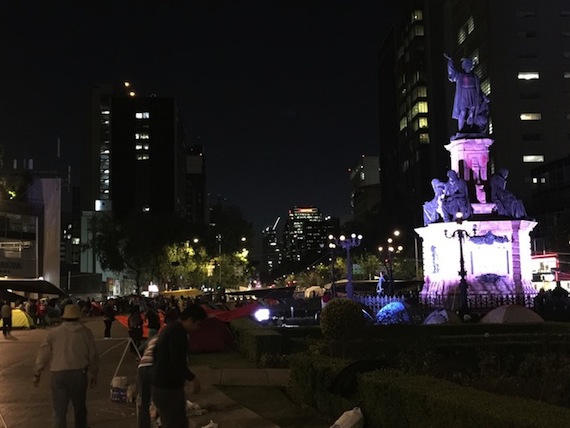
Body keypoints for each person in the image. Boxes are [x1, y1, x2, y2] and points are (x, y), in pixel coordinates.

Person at [33, 304, 99, 428]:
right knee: (79, 408)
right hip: (79, 374)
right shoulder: (86, 332)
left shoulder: (54, 333)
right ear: (78, 317)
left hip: (58, 374)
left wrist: (38, 372)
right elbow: (93, 355)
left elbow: (43, 353)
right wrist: (94, 373)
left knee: (59, 411)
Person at [151, 304, 207, 428]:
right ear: (190, 319)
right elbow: (177, 360)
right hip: (168, 388)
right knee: (174, 423)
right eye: (197, 324)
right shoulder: (178, 332)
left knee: (176, 422)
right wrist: (192, 378)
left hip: (163, 386)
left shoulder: (170, 328)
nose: (197, 328)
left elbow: (155, 353)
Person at [444, 53, 489, 135]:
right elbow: (452, 73)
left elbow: (479, 89)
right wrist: (450, 61)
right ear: (463, 66)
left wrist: (484, 96)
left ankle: (471, 128)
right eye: (466, 64)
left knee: (472, 112)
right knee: (463, 112)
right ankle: (461, 131)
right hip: (463, 95)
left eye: (469, 64)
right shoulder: (460, 76)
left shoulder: (475, 77)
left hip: (473, 95)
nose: (468, 66)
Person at [137, 334, 160, 428]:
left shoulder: (153, 338)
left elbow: (140, 349)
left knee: (144, 402)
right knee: (160, 398)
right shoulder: (171, 338)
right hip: (154, 367)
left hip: (142, 367)